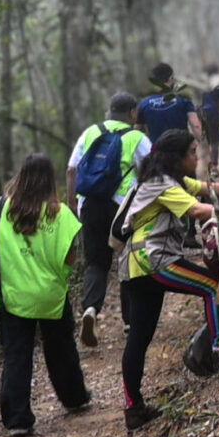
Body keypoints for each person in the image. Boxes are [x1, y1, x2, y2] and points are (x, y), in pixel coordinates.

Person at [117, 129, 219, 430]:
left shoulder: (169, 181)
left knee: (139, 339)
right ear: (178, 157)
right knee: (212, 287)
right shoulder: (162, 184)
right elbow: (198, 209)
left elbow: (207, 189)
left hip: (135, 267)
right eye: (193, 153)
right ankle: (217, 353)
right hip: (153, 260)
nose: (197, 159)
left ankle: (134, 408)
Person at [0, 154, 91, 437]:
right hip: (50, 295)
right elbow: (71, 259)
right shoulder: (62, 215)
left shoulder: (4, 208)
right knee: (61, 348)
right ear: (50, 180)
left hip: (13, 295)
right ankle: (74, 397)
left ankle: (18, 420)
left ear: (21, 177)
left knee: (17, 355)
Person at [66, 92, 152, 347]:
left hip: (90, 204)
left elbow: (71, 169)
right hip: (122, 207)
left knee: (96, 262)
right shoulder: (137, 137)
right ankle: (130, 321)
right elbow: (153, 170)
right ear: (133, 113)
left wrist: (73, 203)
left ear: (109, 111)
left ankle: (91, 309)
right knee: (127, 258)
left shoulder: (90, 132)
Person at [137, 62, 203, 144]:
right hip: (182, 147)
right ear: (171, 78)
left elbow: (137, 129)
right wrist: (201, 143)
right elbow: (195, 125)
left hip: (157, 149)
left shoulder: (144, 103)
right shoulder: (183, 99)